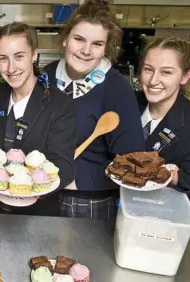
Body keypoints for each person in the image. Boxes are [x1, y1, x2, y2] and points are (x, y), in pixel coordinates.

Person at [43, 0, 145, 220]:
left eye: (97, 44)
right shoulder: (48, 75)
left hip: (86, 202)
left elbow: (130, 161)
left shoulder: (116, 89)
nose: (86, 51)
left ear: (105, 48)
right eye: (79, 39)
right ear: (65, 39)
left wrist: (81, 179)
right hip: (41, 194)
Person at [0, 22, 76, 219]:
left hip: (41, 215)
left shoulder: (59, 104)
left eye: (19, 56)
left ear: (34, 54)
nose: (11, 68)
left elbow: (65, 166)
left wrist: (28, 188)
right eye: (3, 58)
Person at [137, 37, 190, 209]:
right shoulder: (126, 104)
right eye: (148, 69)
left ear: (185, 76)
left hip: (157, 213)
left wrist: (175, 177)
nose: (153, 81)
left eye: (166, 72)